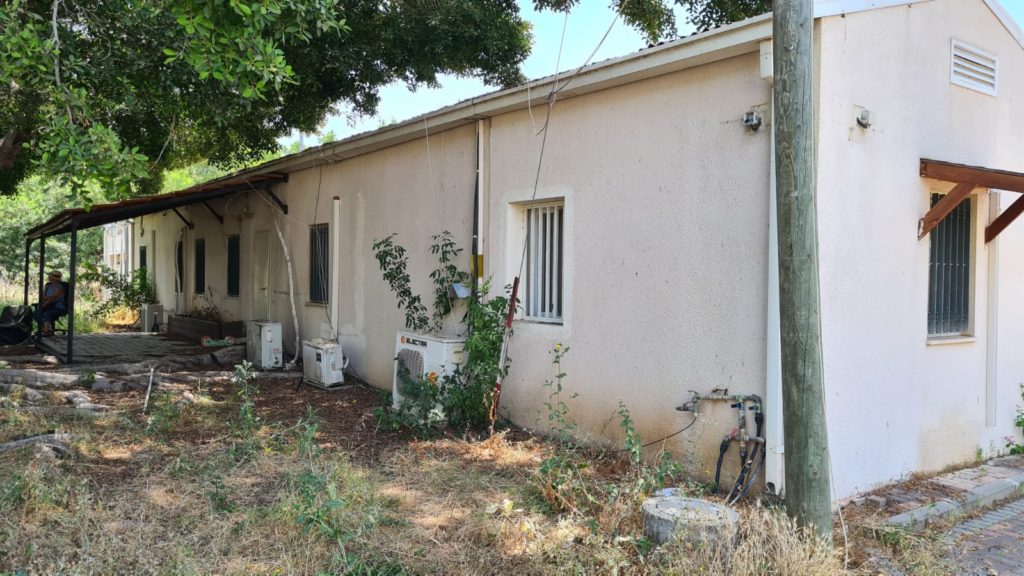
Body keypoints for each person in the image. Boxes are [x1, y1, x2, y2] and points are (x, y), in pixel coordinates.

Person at [35, 270, 66, 337]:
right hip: (48, 305)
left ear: (54, 278)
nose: (49, 277)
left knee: (47, 313)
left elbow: (52, 298)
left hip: (58, 307)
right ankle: (44, 328)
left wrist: (43, 305)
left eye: (50, 276)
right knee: (36, 312)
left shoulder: (60, 288)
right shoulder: (48, 286)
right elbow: (42, 297)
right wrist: (45, 300)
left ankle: (46, 332)